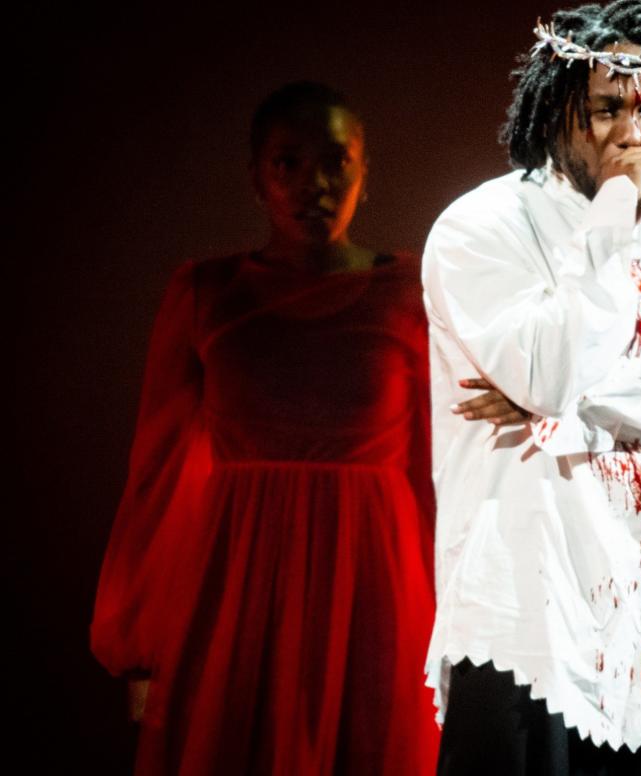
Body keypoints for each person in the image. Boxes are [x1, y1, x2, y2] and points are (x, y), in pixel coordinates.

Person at [420, 2, 641, 774]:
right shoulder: (480, 226)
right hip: (534, 598)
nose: (636, 131)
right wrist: (613, 215)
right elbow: (552, 367)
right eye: (609, 108)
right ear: (559, 112)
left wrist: (580, 402)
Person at [91, 81, 440, 774]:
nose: (314, 183)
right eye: (288, 163)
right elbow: (156, 473)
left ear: (364, 173)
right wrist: (137, 639)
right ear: (257, 178)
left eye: (336, 161)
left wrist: (464, 614)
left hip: (377, 578)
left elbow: (443, 467)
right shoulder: (205, 292)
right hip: (237, 578)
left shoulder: (413, 292)